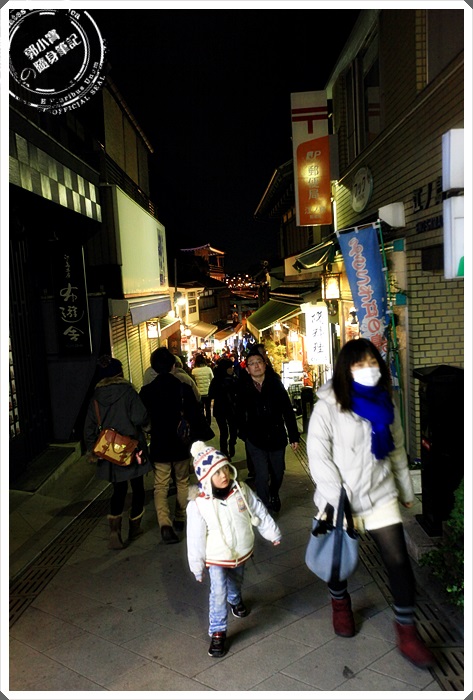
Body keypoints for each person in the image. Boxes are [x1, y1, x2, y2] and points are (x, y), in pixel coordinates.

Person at [306, 338, 434, 668]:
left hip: (380, 494)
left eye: (372, 362)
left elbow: (396, 450)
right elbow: (318, 457)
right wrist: (337, 500)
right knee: (337, 558)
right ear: (345, 369)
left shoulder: (385, 401)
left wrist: (406, 491)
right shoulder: (328, 405)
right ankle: (340, 603)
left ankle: (407, 631)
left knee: (398, 560)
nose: (367, 369)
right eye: (359, 364)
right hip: (340, 500)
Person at [186, 440, 282, 658]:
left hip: (241, 549)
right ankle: (218, 631)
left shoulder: (241, 490)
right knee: (218, 591)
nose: (224, 475)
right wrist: (197, 566)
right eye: (217, 473)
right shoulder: (199, 504)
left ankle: (235, 599)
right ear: (205, 477)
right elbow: (195, 537)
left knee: (237, 580)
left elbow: (258, 511)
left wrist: (272, 532)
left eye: (225, 469)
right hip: (216, 556)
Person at [139, 347, 214, 544]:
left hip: (159, 444)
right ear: (173, 366)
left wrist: (149, 429)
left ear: (153, 368)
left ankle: (164, 524)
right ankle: (180, 518)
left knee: (160, 485)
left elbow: (142, 418)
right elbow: (195, 416)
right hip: (181, 444)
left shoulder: (147, 391)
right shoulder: (183, 388)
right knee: (182, 481)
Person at [84, 355, 152, 550]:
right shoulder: (128, 392)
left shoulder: (95, 398)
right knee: (138, 489)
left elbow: (88, 429)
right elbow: (140, 417)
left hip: (110, 453)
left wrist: (94, 449)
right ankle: (134, 528)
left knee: (118, 491)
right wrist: (148, 428)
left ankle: (114, 531)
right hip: (132, 448)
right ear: (119, 373)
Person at [236, 346, 299, 512]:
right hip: (255, 438)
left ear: (265, 365)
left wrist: (293, 435)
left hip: (276, 436)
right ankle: (263, 506)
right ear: (247, 369)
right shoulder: (243, 387)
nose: (256, 366)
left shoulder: (276, 384)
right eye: (252, 363)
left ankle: (274, 492)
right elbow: (238, 413)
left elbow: (287, 410)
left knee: (278, 472)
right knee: (261, 474)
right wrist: (244, 433)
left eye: (259, 362)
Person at [208, 357, 238, 458]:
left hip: (225, 409)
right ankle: (224, 451)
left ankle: (230, 445)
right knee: (225, 431)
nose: (232, 369)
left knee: (230, 430)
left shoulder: (233, 379)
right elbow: (211, 394)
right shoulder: (220, 380)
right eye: (230, 367)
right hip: (224, 409)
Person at [191, 354, 214, 424]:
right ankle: (208, 423)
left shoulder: (194, 371)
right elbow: (212, 380)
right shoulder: (208, 369)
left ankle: (202, 423)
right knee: (208, 409)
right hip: (207, 392)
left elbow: (193, 383)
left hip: (198, 393)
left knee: (200, 410)